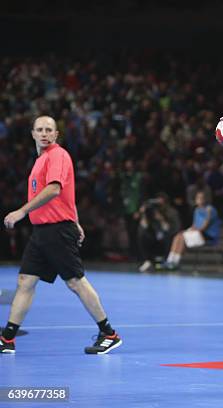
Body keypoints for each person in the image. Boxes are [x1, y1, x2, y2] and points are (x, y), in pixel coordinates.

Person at [1, 116, 121, 355]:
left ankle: (109, 334)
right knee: (26, 282)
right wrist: (76, 221)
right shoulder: (40, 160)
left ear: (55, 135)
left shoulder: (58, 155)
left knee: (75, 282)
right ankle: (7, 339)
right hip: (42, 232)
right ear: (32, 134)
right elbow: (68, 195)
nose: (44, 133)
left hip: (56, 230)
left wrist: (22, 211)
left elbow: (55, 189)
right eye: (39, 130)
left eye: (49, 130)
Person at [160, 190, 221, 270]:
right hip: (197, 233)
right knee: (178, 235)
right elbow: (194, 225)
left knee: (182, 237)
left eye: (202, 198)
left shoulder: (210, 210)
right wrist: (188, 230)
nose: (200, 199)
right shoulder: (196, 210)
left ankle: (176, 262)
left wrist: (193, 230)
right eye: (198, 198)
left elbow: (204, 227)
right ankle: (170, 260)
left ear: (206, 199)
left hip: (207, 236)